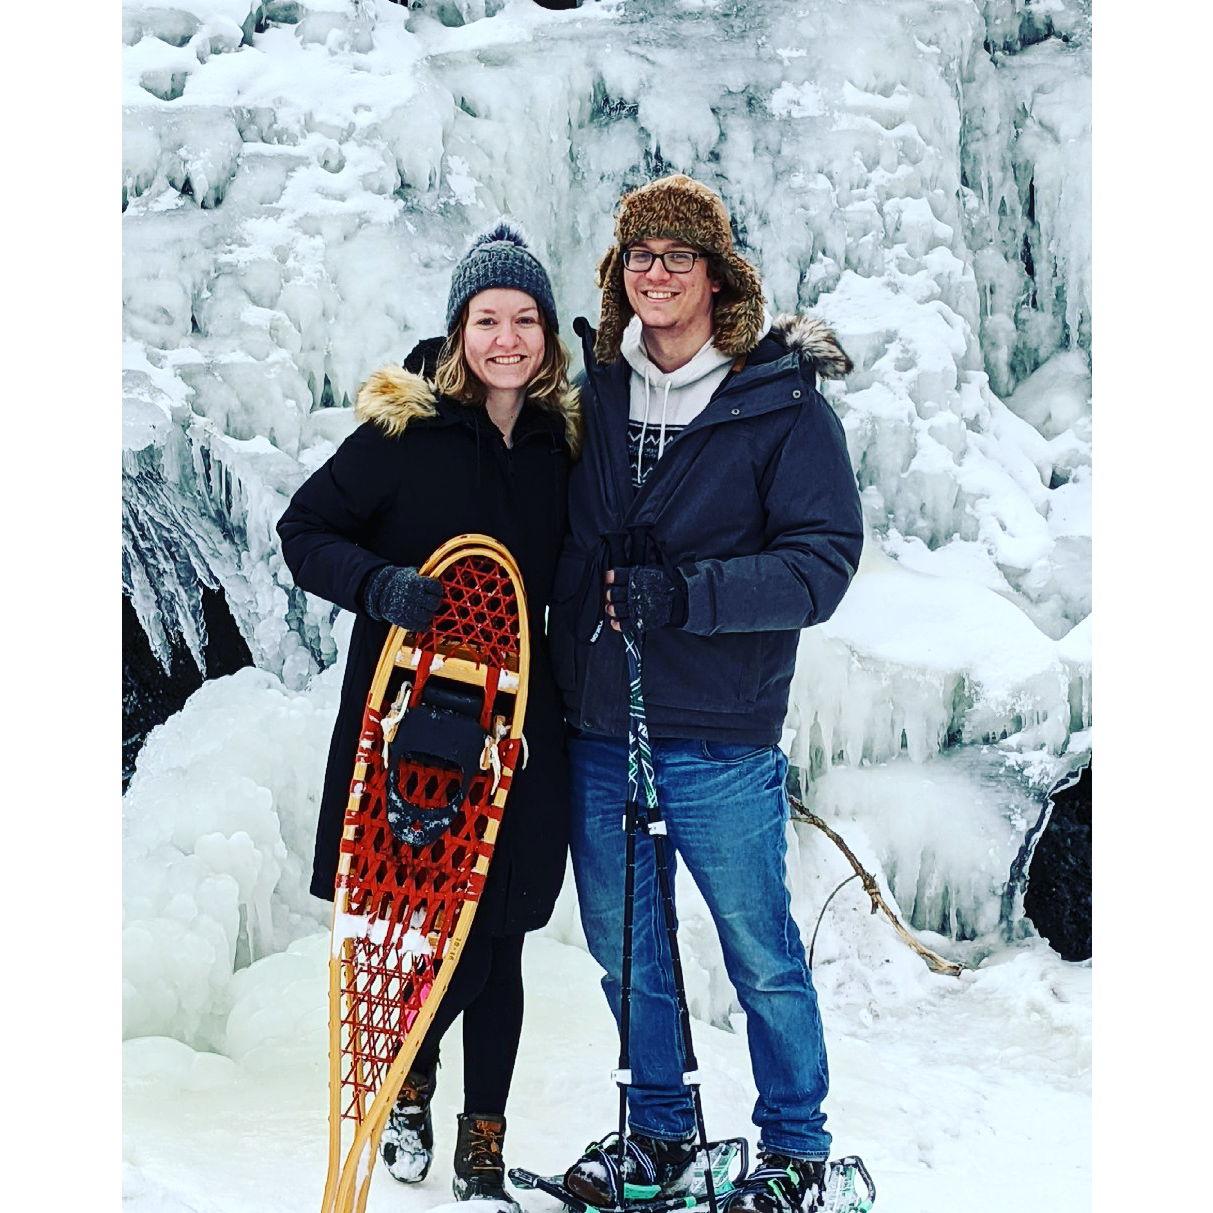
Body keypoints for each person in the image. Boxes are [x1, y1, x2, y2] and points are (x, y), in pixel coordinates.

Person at [547, 175, 864, 1213]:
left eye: (679, 256)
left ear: (718, 276)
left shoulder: (778, 403)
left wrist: (685, 594)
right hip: (601, 723)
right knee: (624, 944)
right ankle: (660, 1134)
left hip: (720, 731)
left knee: (758, 950)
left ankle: (795, 1150)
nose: (657, 273)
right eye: (640, 255)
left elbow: (821, 563)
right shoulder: (592, 393)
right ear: (617, 272)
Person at [277, 222, 579, 1209]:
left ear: (546, 335)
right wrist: (379, 585)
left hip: (523, 731)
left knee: (500, 938)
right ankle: (406, 1077)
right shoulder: (402, 432)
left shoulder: (564, 444)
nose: (506, 338)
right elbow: (305, 531)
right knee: (434, 930)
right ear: (458, 330)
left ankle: (478, 1144)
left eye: (524, 319)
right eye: (487, 318)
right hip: (409, 730)